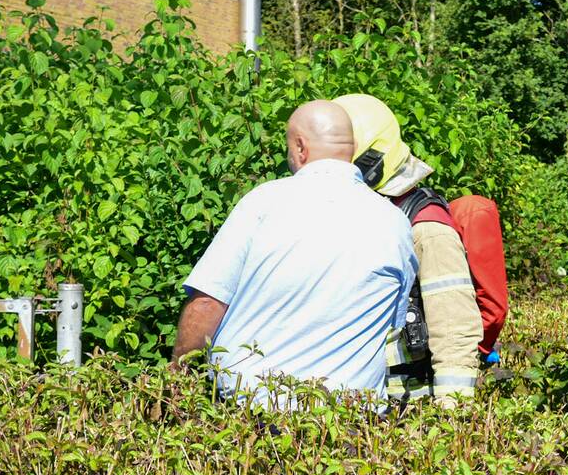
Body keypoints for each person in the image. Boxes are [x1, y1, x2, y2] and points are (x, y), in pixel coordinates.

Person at [172, 99, 417, 407]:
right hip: (352, 424)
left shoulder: (263, 203)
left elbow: (208, 302)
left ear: (301, 148)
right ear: (352, 147)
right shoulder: (395, 223)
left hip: (253, 418)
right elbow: (392, 326)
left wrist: (176, 377)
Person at [331, 93, 483, 406]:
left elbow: (454, 329)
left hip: (409, 406)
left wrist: (452, 413)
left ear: (370, 162)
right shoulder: (355, 213)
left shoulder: (426, 226)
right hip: (358, 399)